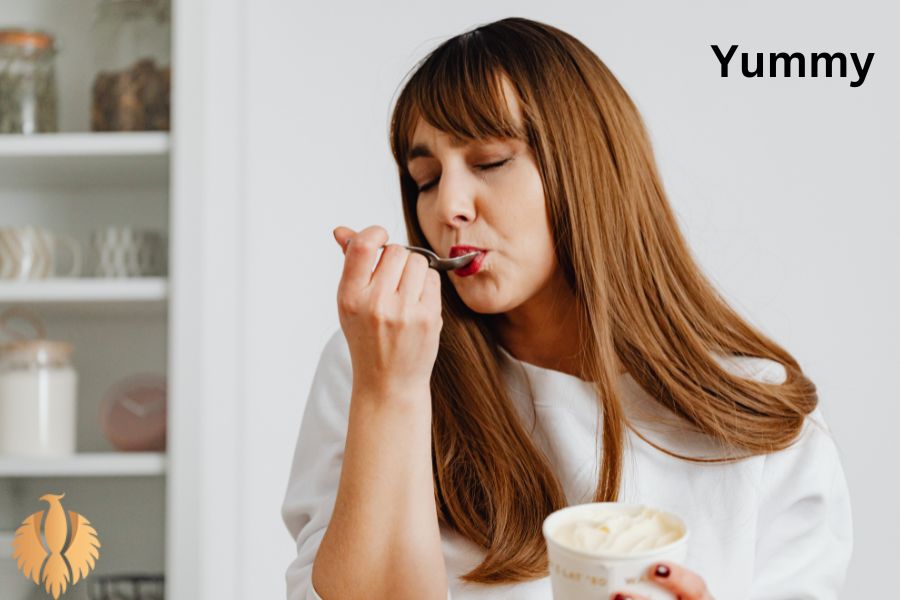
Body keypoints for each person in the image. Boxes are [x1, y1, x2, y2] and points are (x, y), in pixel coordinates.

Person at [281, 17, 853, 600]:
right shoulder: (375, 362)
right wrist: (392, 391)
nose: (447, 205)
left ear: (587, 167)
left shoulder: (762, 417)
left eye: (490, 162)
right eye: (425, 177)